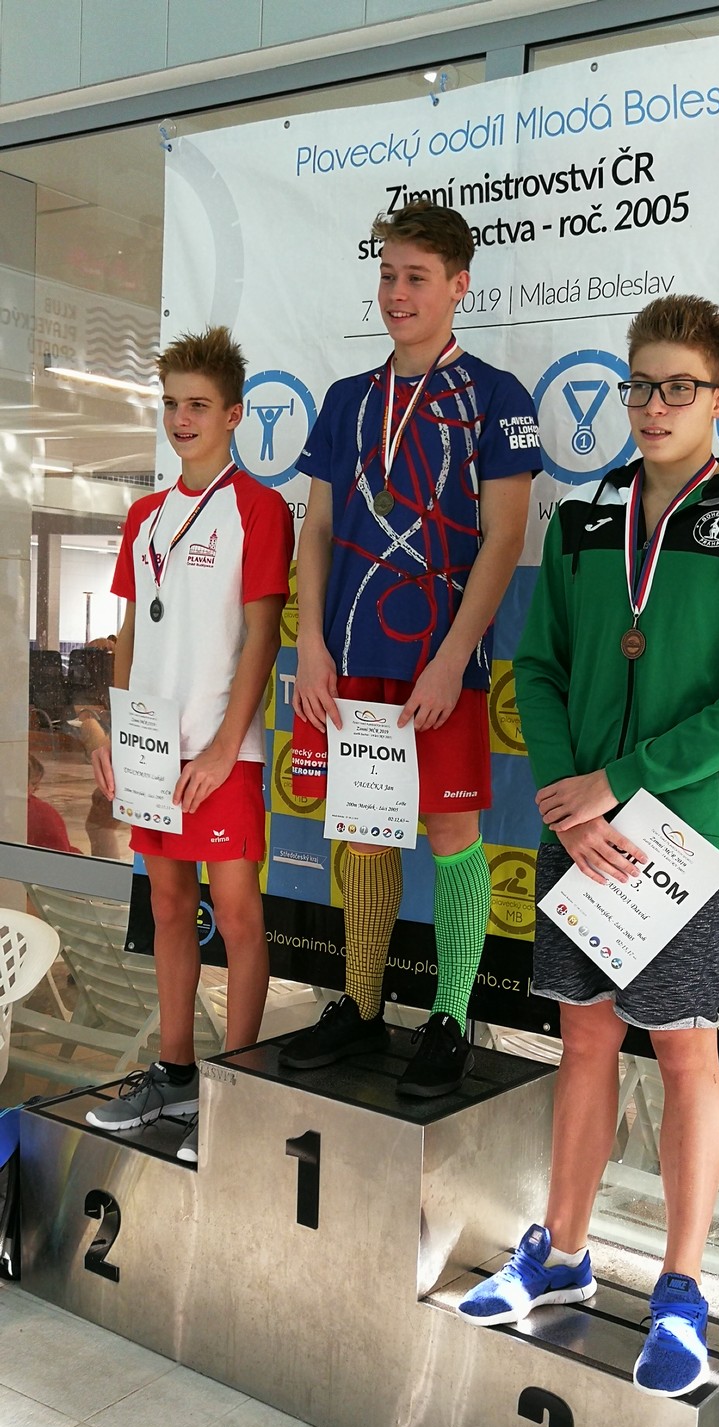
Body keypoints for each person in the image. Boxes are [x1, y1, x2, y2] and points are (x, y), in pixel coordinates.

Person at [457, 295, 719, 1397]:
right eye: (640, 386)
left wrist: (623, 781)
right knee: (584, 1040)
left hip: (680, 835)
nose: (655, 407)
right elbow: (542, 665)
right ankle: (561, 1254)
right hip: (578, 824)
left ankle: (682, 1291)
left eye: (678, 388)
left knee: (685, 1050)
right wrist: (573, 802)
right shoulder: (582, 514)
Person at [279, 200, 541, 1096]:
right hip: (348, 660)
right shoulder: (346, 400)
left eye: (416, 277)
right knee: (365, 834)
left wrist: (452, 658)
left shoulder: (496, 397)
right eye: (387, 274)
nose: (397, 292)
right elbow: (316, 530)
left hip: (441, 661)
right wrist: (311, 646)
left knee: (454, 835)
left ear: (458, 286)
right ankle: (360, 1006)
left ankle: (450, 1017)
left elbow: (504, 538)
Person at [89, 326, 294, 1163]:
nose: (181, 419)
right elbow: (132, 631)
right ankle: (174, 1072)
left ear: (234, 415)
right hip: (151, 751)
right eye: (172, 404)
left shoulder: (258, 508)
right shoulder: (144, 515)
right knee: (169, 908)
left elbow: (261, 639)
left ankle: (234, 1093)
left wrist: (219, 748)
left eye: (198, 405)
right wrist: (119, 735)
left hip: (223, 754)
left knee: (237, 916)